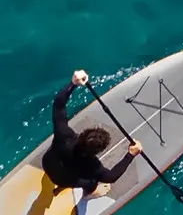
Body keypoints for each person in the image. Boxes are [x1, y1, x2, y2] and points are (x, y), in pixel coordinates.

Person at [44, 69, 142, 200]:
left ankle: (60, 184)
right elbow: (111, 177)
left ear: (84, 133)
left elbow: (58, 105)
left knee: (68, 168)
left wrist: (73, 83)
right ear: (96, 152)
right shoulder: (93, 167)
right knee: (91, 181)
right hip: (64, 179)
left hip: (48, 163)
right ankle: (90, 192)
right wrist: (131, 154)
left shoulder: (64, 135)